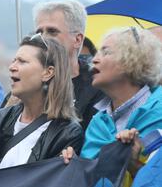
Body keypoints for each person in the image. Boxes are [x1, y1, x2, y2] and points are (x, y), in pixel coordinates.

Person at [0, 34, 84, 173]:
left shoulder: (67, 133)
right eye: (14, 60)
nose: (12, 67)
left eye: (22, 61)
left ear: (48, 72)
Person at [62, 27, 162, 172]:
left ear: (133, 60)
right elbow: (90, 181)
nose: (94, 59)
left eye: (106, 52)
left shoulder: (158, 113)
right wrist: (74, 164)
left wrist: (134, 165)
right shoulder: (97, 123)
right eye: (97, 53)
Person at [34, 0, 104, 130]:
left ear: (77, 40)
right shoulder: (27, 83)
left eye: (52, 31)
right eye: (39, 32)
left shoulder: (98, 86)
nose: (42, 38)